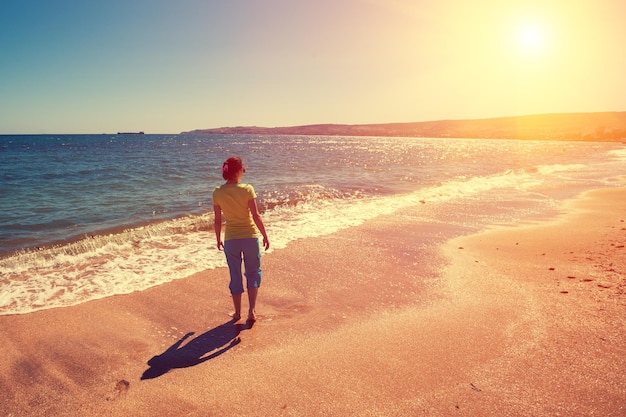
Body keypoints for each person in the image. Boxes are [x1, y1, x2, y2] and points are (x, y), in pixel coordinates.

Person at [212, 156, 269, 322]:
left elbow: (217, 220)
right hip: (250, 237)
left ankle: (237, 313)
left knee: (235, 275)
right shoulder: (247, 189)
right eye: (243, 169)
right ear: (238, 171)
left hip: (231, 240)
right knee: (253, 273)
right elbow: (256, 215)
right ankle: (251, 311)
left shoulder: (217, 192)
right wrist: (265, 235)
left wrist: (218, 239)